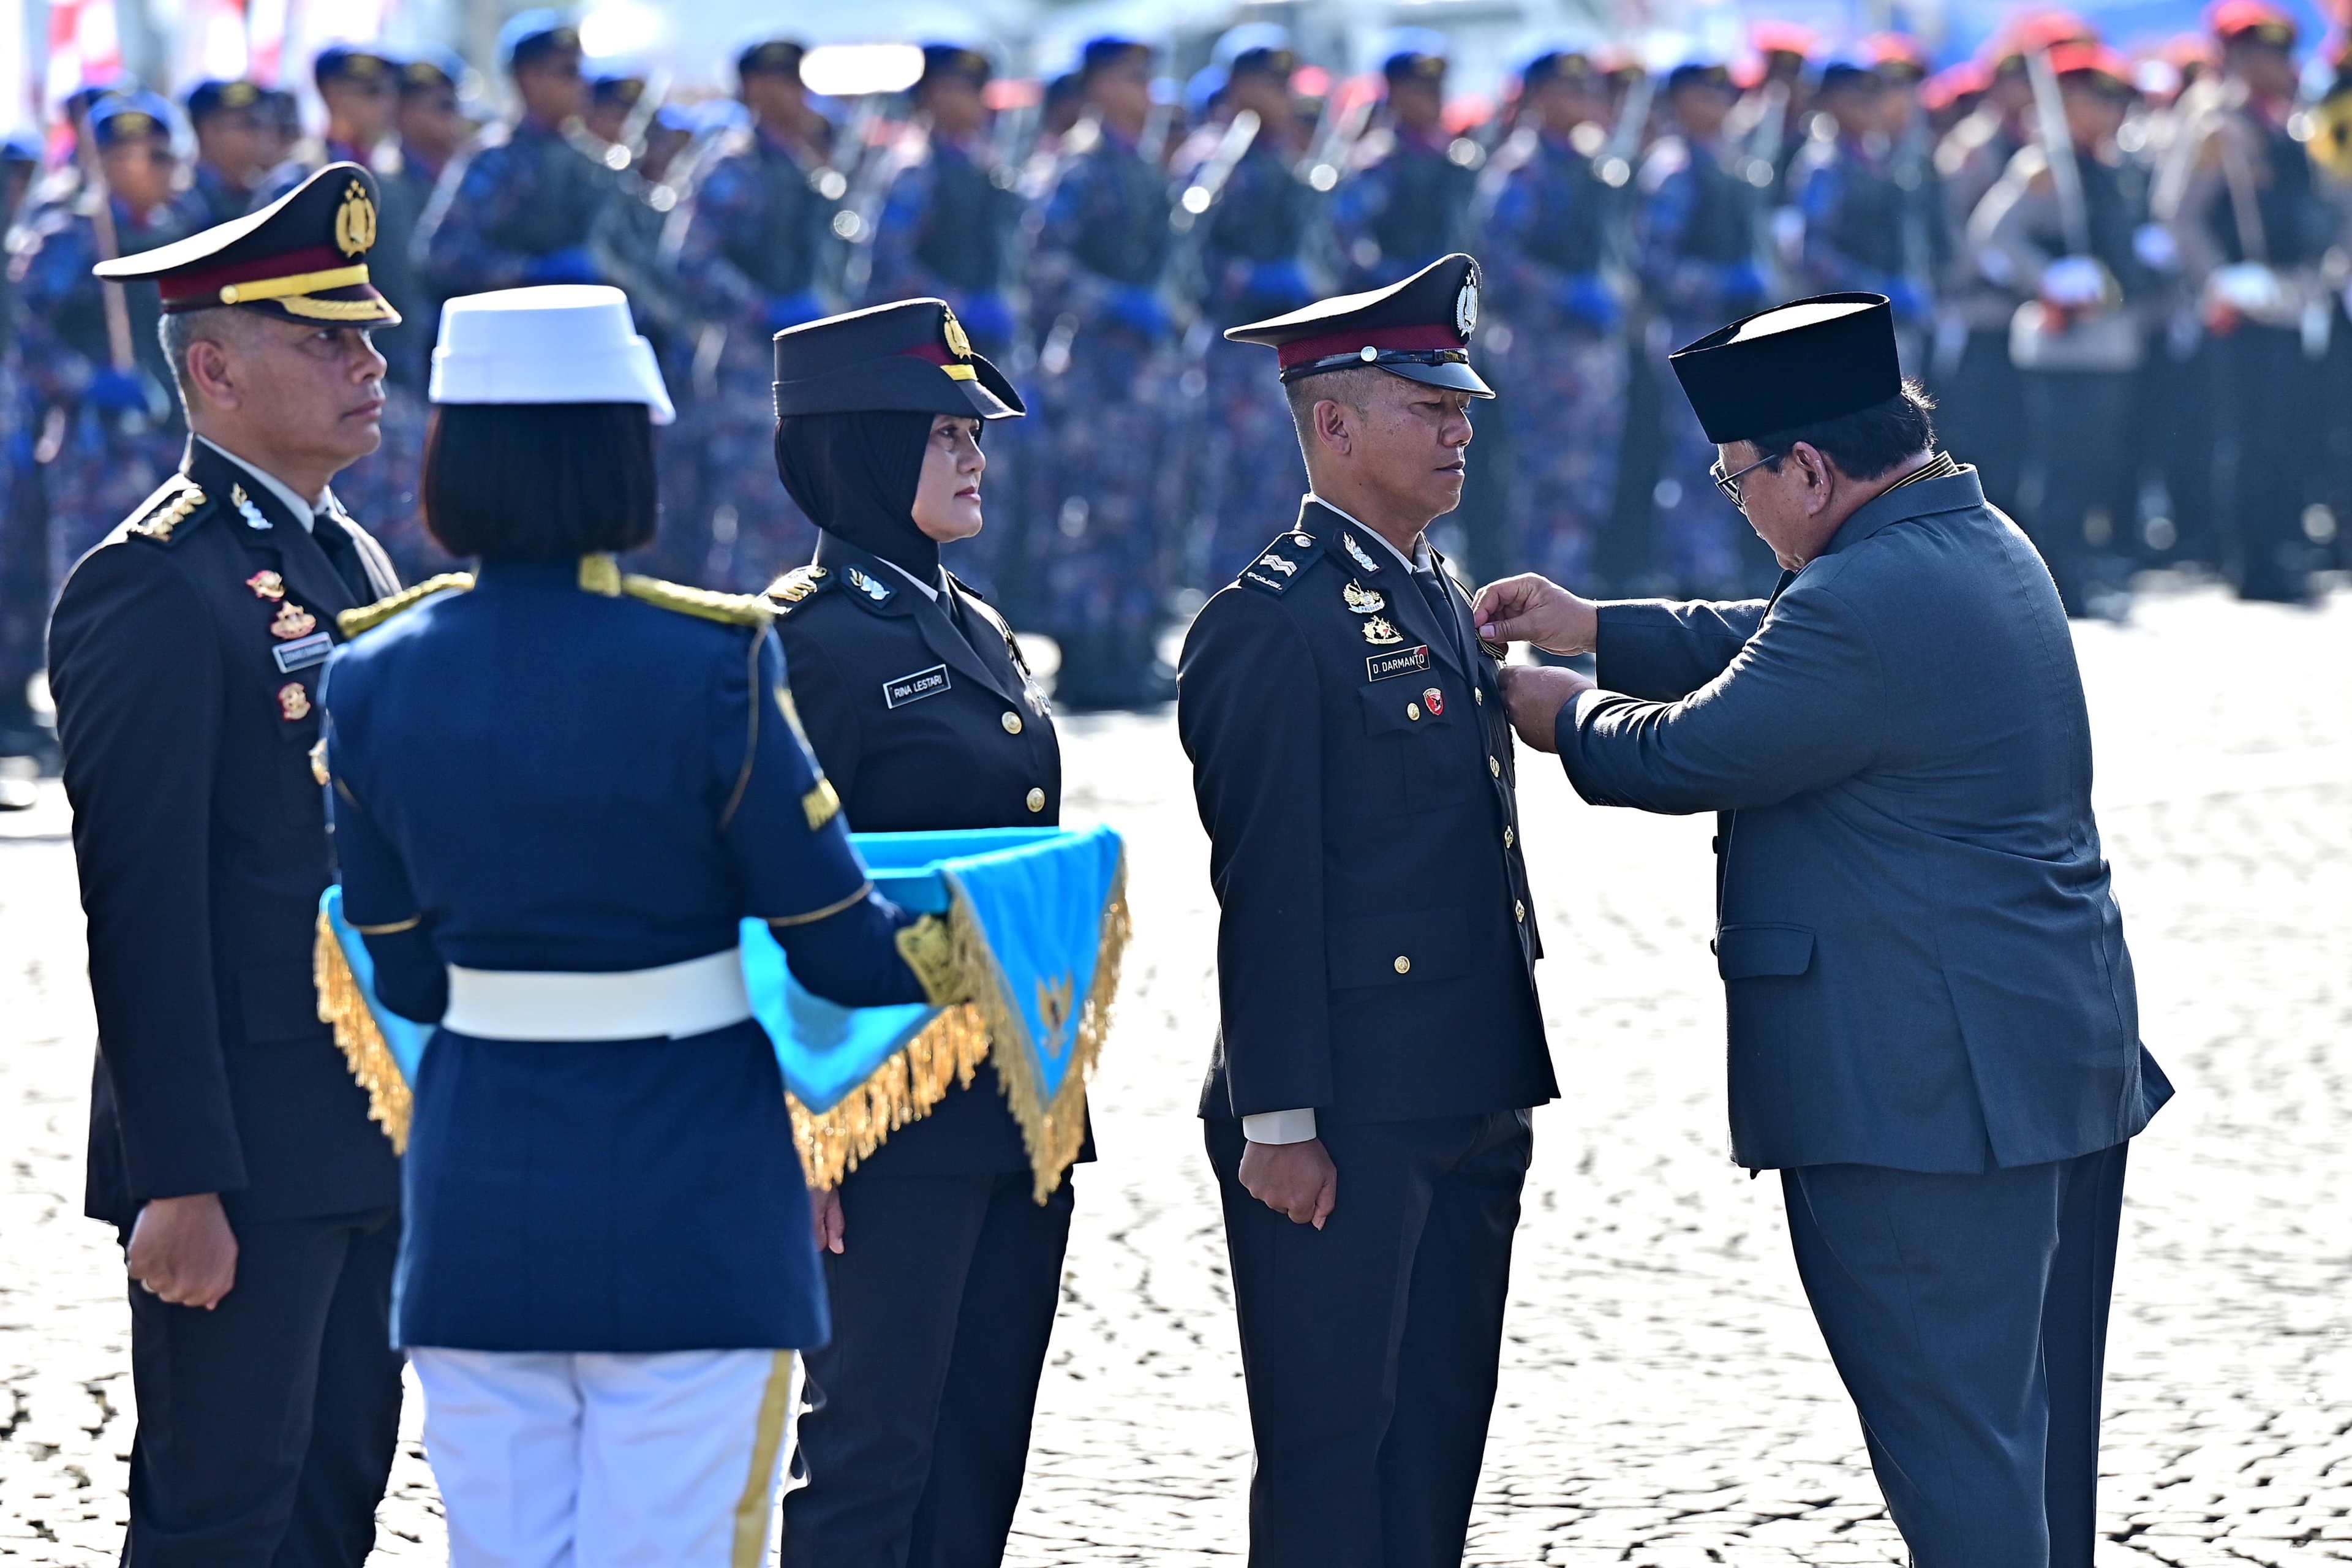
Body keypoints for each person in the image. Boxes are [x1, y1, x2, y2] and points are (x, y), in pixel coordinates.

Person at [1480, 291, 2171, 1568]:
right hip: (2041, 1067)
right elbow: (1780, 643)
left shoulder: (1864, 598)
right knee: (2027, 1443)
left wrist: (1568, 712)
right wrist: (1601, 625)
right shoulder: (1963, 537)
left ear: (1808, 465)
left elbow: (1702, 746)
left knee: (1956, 1447)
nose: (1737, 506)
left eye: (1739, 481)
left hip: (1926, 1094)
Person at [319, 284, 960, 1566]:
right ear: (628, 450)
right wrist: (985, 929)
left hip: (480, 1193)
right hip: (694, 1202)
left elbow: (401, 968)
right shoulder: (711, 662)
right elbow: (839, 940)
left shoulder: (371, 673)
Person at [44, 162, 407, 1565]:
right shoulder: (156, 581)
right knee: (217, 1515)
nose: (367, 361)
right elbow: (140, 908)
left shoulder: (353, 555)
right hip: (243, 1151)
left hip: (365, 1126)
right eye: (326, 337)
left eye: (367, 333)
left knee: (332, 1502)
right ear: (212, 367)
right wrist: (176, 1177)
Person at [1177, 254, 1556, 1567]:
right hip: (1344, 1108)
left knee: (1440, 1439)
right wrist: (1281, 1121)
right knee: (1335, 1449)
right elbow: (1265, 889)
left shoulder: (1434, 588)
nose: (1460, 427)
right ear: (1333, 424)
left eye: (1461, 405)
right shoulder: (1270, 625)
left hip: (1465, 1084)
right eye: (1426, 405)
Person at [757, 296, 1080, 1568]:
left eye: (974, 429)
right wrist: (806, 1127)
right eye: (943, 430)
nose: (974, 453)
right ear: (862, 450)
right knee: (869, 1451)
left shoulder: (971, 618)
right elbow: (778, 901)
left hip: (1013, 1091)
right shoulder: (804, 638)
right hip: (878, 1111)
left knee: (978, 1442)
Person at [2157, 0, 2339, 601]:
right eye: (2263, 52)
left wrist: (2317, 277)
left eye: (2284, 51)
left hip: (2291, 295)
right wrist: (2220, 278)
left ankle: (2285, 546)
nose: (2278, 63)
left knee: (2292, 431)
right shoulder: (2215, 122)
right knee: (2249, 437)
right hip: (2243, 302)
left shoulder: (2293, 121)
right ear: (2233, 57)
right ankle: (2254, 561)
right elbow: (2179, 215)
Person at [1022, 34, 1179, 707]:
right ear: (1098, 87)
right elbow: (1044, 266)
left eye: (1147, 77)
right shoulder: (1077, 169)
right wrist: (1114, 300)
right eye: (1131, 78)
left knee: (1141, 507)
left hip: (1141, 374)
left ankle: (1130, 648)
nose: (1145, 91)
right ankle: (1087, 659)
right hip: (1093, 371)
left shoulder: (1140, 168)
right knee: (1091, 513)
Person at [1973, 43, 2155, 616]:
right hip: (2062, 345)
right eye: (2100, 99)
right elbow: (1993, 235)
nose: (2113, 112)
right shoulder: (2046, 164)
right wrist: (2048, 276)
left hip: (2110, 343)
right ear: (2069, 102)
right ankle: (2057, 579)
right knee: (2061, 470)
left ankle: (2081, 567)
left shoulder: (2107, 164)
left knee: (2098, 464)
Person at [665, 37, 845, 590]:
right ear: (753, 90)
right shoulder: (731, 164)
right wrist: (761, 308)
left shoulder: (799, 165)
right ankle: (741, 640)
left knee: (802, 510)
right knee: (752, 516)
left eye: (798, 81)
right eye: (781, 82)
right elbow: (688, 259)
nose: (796, 95)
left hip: (806, 364)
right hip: (750, 363)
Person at [256, 45, 437, 585]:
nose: (386, 106)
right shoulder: (299, 182)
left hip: (398, 386)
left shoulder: (394, 184)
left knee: (404, 554)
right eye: (372, 92)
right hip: (328, 391)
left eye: (391, 93)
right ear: (333, 94)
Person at [14, 94, 202, 595]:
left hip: (172, 441)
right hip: (96, 450)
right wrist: (88, 381)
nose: (172, 170)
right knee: (93, 587)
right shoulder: (71, 234)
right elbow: (23, 331)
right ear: (114, 161)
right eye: (157, 157)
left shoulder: (182, 229)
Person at [859, 43, 1026, 597]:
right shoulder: (915, 166)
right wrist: (957, 304)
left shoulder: (979, 166)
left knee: (977, 489)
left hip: (973, 361)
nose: (974, 101)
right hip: (927, 362)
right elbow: (886, 267)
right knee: (933, 494)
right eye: (960, 88)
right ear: (930, 95)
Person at [1479, 42, 1632, 592]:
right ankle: (1537, 602)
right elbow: (1494, 261)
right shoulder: (1522, 170)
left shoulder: (1591, 167)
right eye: (1568, 89)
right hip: (1542, 348)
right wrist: (1565, 292)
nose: (1582, 101)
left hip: (1592, 351)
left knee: (1588, 486)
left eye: (1586, 89)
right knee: (1545, 484)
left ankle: (1569, 598)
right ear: (1538, 97)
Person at [1175, 24, 1320, 586]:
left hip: (1284, 352)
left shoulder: (1284, 161)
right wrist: (1251, 278)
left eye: (1284, 82)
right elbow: (1187, 258)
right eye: (1267, 82)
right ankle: (1229, 612)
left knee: (1283, 490)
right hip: (1233, 348)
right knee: (1234, 492)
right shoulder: (1215, 158)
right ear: (1237, 86)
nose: (1280, 94)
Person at [1637, 59, 1777, 594]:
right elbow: (1654, 264)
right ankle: (1690, 575)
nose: (1719, 104)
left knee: (1737, 454)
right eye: (1706, 94)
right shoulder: (1673, 169)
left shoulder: (1729, 163)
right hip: (1690, 337)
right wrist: (1722, 284)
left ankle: (1715, 570)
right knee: (1696, 458)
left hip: (1731, 336)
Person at [415, 13, 614, 300]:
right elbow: (444, 255)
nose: (582, 85)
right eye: (568, 72)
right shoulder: (495, 159)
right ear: (529, 78)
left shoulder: (593, 161)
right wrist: (531, 272)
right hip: (513, 327)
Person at [1330, 31, 1479, 294]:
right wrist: (1400, 278)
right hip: (1388, 304)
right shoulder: (1375, 163)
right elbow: (1348, 242)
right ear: (1395, 93)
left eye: (1438, 88)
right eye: (1422, 90)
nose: (1435, 99)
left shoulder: (1456, 160)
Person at [182, 78, 272, 227]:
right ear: (209, 132)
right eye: (250, 123)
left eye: (263, 122)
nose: (263, 132)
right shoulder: (183, 205)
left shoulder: (265, 193)